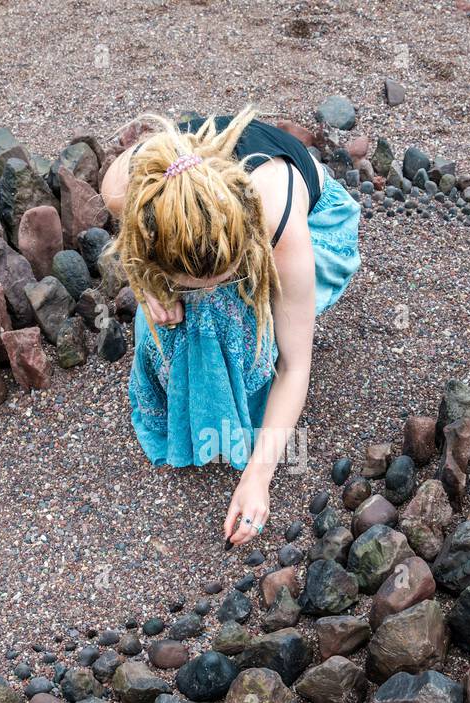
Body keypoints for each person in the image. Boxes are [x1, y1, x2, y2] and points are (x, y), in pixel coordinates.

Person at [100, 106, 361, 546]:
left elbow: (296, 368)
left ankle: (236, 400)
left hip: (318, 226)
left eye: (222, 276)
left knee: (225, 314)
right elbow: (131, 244)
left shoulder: (279, 222)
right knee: (186, 314)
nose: (200, 290)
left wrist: (259, 477)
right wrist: (147, 286)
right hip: (202, 223)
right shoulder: (131, 186)